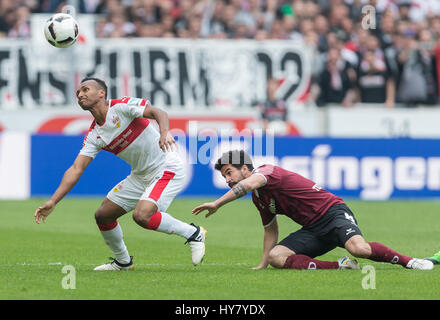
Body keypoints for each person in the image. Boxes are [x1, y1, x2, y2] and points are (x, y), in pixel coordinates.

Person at [34, 77, 206, 270]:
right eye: (78, 93)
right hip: (140, 175)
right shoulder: (94, 135)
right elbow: (76, 168)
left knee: (142, 216)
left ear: (102, 93)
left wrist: (164, 132)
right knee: (103, 215)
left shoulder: (121, 106)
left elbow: (158, 112)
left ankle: (193, 233)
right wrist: (53, 201)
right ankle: (123, 262)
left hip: (166, 167)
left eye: (85, 89)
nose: (80, 94)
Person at [192, 150, 433, 271]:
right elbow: (270, 230)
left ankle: (411, 262)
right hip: (313, 229)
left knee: (359, 248)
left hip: (334, 213)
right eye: (224, 176)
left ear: (245, 168)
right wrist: (263, 263)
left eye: (229, 173)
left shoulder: (266, 172)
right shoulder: (259, 199)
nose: (227, 180)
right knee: (277, 257)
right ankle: (341, 265)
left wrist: (216, 203)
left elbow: (247, 185)